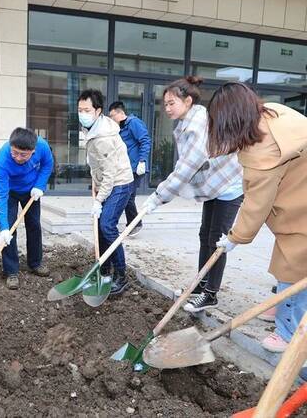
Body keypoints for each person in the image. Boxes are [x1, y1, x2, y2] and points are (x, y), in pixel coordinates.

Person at [205, 82, 307, 353]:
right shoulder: (272, 113)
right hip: (300, 197)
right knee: (289, 260)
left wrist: (235, 238)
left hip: (302, 213)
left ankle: (288, 332)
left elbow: (255, 205)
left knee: (293, 266)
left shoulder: (263, 154)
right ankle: (283, 303)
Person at [140, 76, 243, 313]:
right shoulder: (188, 121)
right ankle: (199, 285)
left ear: (187, 101)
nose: (167, 108)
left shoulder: (197, 126)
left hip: (228, 185)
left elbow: (185, 168)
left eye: (171, 103)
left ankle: (210, 294)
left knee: (217, 241)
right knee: (205, 234)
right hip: (214, 186)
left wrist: (158, 197)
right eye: (164, 104)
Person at [79, 90, 134, 295]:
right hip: (106, 182)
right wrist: (95, 183)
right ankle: (103, 271)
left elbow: (110, 173)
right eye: (80, 109)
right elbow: (98, 165)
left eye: (86, 110)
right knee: (102, 227)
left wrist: (99, 199)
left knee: (107, 225)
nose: (82, 113)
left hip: (120, 183)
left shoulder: (103, 137)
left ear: (98, 111)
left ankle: (121, 275)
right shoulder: (91, 128)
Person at [0, 127, 54, 290]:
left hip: (32, 190)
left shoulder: (42, 146)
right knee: (10, 231)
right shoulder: (3, 159)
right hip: (11, 192)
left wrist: (40, 185)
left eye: (23, 155)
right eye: (15, 153)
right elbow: (0, 195)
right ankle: (11, 270)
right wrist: (4, 228)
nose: (18, 158)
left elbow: (48, 165)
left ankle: (35, 263)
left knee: (34, 225)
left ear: (33, 151)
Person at [108, 101, 151, 237]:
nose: (112, 119)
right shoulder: (120, 128)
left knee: (128, 197)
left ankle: (135, 224)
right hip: (126, 168)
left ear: (120, 113)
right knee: (127, 196)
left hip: (135, 167)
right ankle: (133, 224)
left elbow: (145, 140)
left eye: (112, 115)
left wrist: (142, 161)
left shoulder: (133, 123)